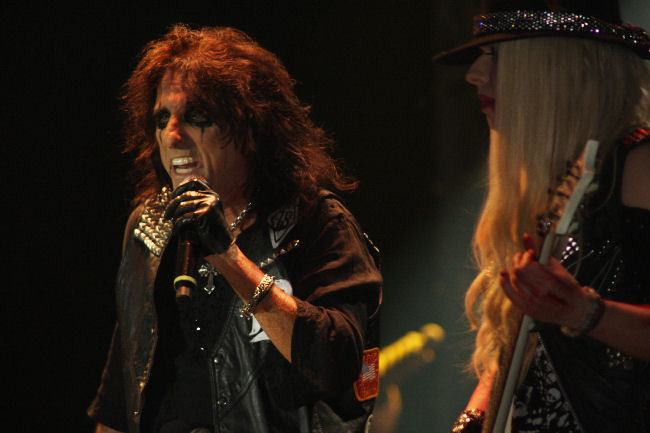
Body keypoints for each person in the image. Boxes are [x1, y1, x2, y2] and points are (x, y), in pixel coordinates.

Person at [87, 24, 382, 433]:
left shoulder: (314, 221)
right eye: (161, 118)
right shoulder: (150, 226)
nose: (172, 135)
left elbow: (338, 365)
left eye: (196, 116)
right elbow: (122, 397)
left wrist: (229, 258)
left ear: (251, 128)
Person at [435, 1, 650, 432]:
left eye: (496, 55)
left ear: (560, 66)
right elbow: (522, 350)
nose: (474, 74)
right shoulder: (551, 184)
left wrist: (586, 313)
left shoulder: (639, 165)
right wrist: (473, 418)